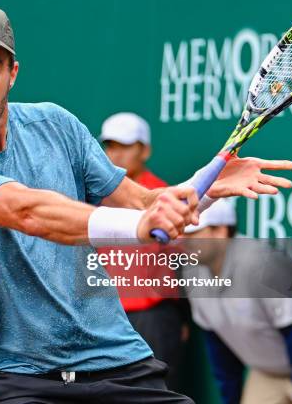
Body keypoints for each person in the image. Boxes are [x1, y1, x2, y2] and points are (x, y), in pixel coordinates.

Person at [0, 2, 292, 403]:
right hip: (20, 379)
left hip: (120, 363)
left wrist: (205, 187)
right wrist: (141, 226)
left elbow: (140, 203)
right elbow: (25, 211)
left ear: (12, 74)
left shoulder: (56, 124)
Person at [182, 200, 292, 404]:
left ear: (220, 231)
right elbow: (218, 346)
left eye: (193, 233)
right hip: (269, 369)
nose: (185, 241)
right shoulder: (191, 272)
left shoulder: (259, 263)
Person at [100, 112, 188, 391]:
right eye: (111, 146)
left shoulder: (165, 196)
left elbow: (182, 263)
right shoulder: (94, 194)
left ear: (144, 150)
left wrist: (183, 317)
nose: (116, 154)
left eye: (126, 146)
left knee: (155, 393)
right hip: (106, 317)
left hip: (154, 317)